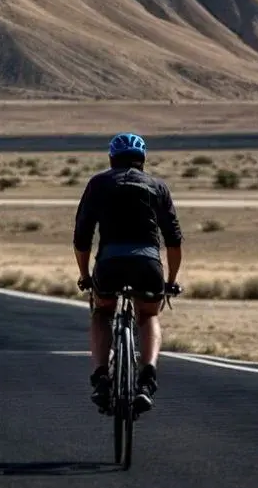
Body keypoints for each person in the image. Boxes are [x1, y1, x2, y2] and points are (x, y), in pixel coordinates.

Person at [73, 132, 184, 415]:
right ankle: (147, 379)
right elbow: (174, 241)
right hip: (148, 265)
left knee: (102, 312)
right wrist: (171, 282)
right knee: (148, 315)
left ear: (112, 159)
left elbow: (82, 237)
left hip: (109, 264)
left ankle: (101, 378)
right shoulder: (157, 186)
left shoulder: (98, 184)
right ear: (142, 160)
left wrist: (84, 275)